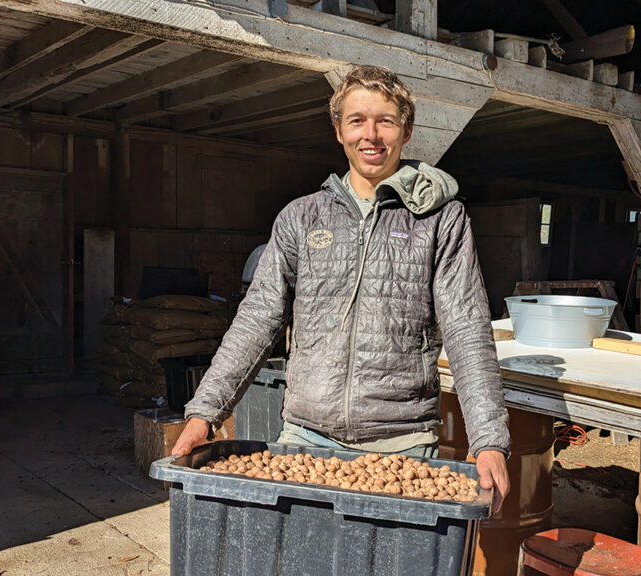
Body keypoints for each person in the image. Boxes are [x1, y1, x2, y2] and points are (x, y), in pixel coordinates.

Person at [172, 65, 511, 511]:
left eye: (386, 121)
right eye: (357, 121)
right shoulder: (301, 217)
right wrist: (205, 411)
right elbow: (257, 319)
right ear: (338, 131)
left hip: (403, 447)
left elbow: (467, 329)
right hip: (304, 440)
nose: (371, 135)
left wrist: (489, 437)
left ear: (406, 132)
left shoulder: (441, 221)